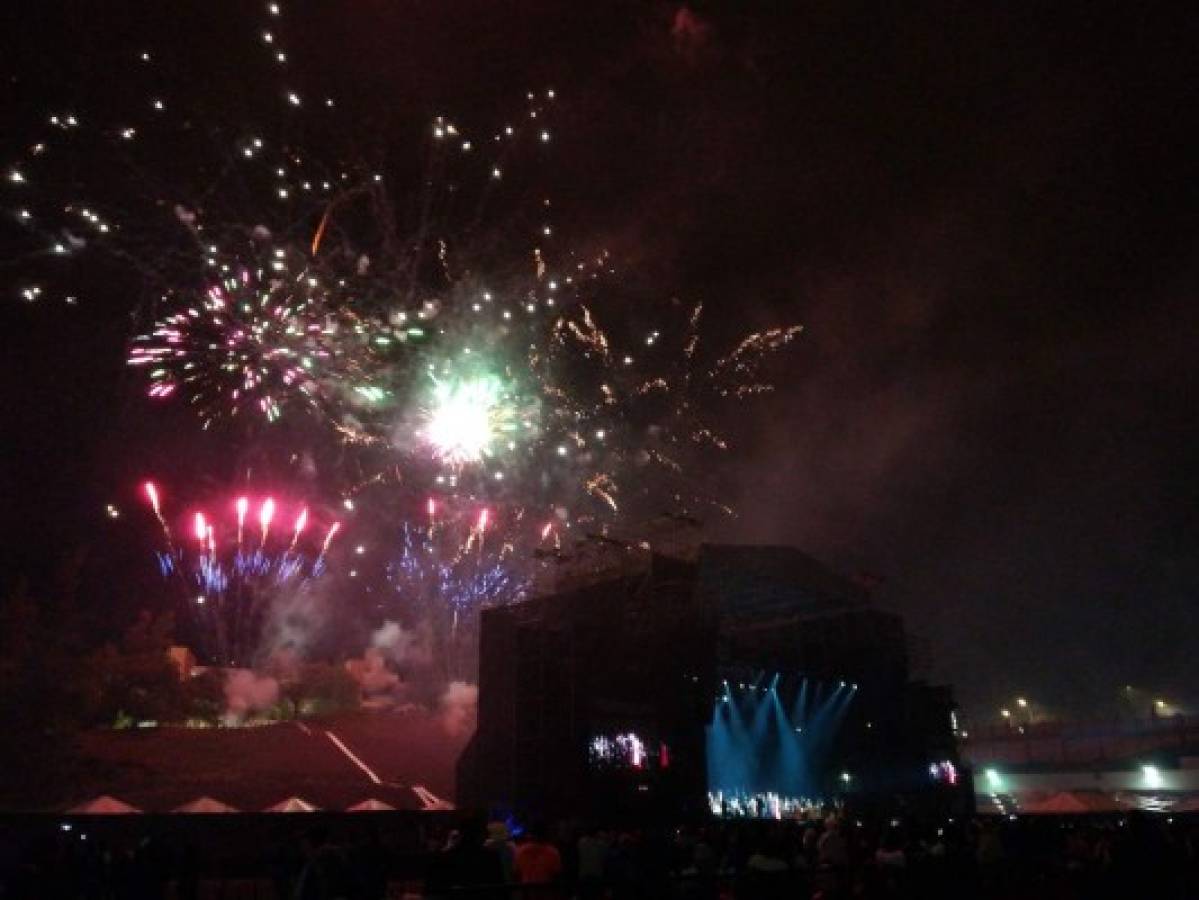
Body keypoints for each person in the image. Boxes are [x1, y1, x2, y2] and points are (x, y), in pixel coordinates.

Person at [514, 822, 563, 894]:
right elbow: (557, 875)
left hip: (527, 893)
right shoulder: (552, 852)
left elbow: (517, 874)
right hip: (546, 893)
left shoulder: (520, 851)